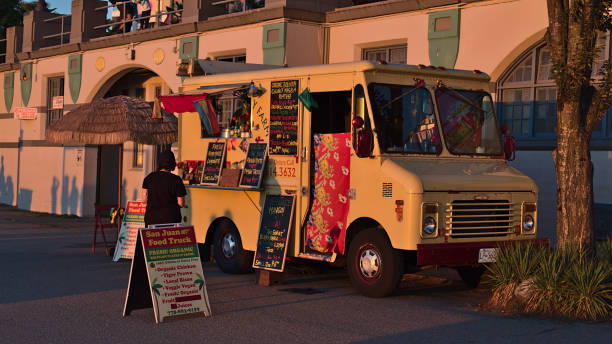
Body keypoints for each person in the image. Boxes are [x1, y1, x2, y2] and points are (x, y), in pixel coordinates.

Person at [142, 150, 186, 227]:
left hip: (151, 220)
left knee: (153, 239)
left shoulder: (148, 178)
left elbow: (144, 200)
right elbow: (181, 203)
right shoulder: (176, 180)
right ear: (173, 164)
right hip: (171, 220)